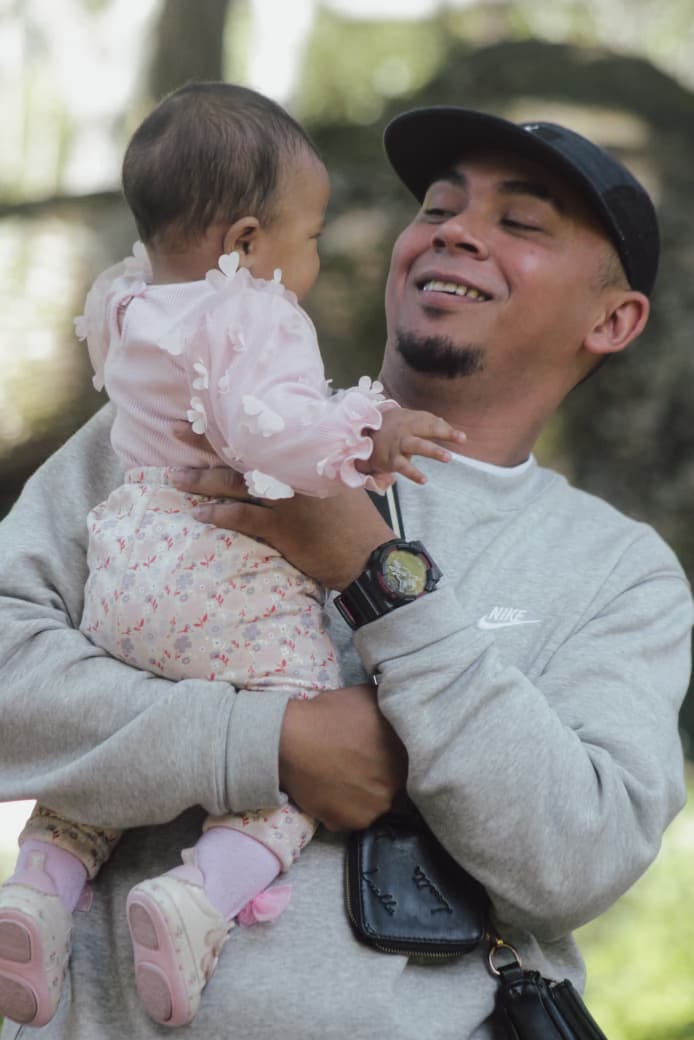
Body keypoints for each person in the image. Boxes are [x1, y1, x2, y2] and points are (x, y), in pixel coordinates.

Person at [0, 101, 691, 1040]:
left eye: (520, 222)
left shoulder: (619, 572)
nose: (455, 231)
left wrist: (376, 573)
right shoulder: (174, 420)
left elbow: (576, 861)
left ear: (613, 319)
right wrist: (268, 740)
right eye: (437, 207)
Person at [0, 83, 466, 1030]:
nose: (315, 258)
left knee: (95, 781)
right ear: (249, 242)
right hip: (219, 570)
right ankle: (198, 898)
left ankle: (38, 892)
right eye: (312, 237)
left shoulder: (130, 304)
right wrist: (369, 431)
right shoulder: (251, 314)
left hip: (123, 571)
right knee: (303, 728)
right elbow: (271, 435)